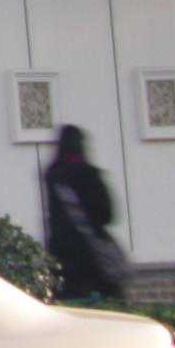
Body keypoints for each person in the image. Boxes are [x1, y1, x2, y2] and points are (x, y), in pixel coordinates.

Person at [41, 123, 131, 303]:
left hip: (61, 257)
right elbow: (107, 214)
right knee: (107, 306)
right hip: (92, 257)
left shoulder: (52, 176)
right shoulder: (89, 174)